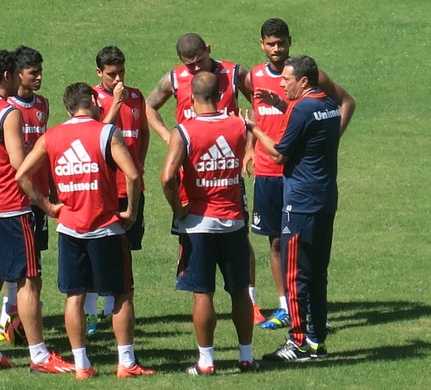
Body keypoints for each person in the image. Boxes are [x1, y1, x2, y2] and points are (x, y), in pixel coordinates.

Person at [16, 82, 155, 380]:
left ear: (67, 108)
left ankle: (81, 365)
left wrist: (48, 206)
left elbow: (22, 175)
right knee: (121, 294)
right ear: (93, 101)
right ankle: (126, 362)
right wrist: (130, 211)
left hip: (69, 230)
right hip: (105, 229)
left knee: (74, 297)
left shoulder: (52, 136)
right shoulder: (107, 132)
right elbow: (132, 174)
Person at [0, 49, 74, 372]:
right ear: (7, 76)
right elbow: (21, 169)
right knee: (28, 281)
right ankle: (39, 354)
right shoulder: (8, 113)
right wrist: (46, 203)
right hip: (9, 208)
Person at [243, 18, 356, 330]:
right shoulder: (257, 77)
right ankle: (296, 316)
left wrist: (329, 139)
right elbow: (277, 111)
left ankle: (299, 331)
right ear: (262, 44)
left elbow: (345, 102)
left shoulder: (310, 77)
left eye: (281, 43)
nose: (277, 49)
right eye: (271, 43)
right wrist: (251, 146)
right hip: (276, 175)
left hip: (298, 180)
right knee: (280, 244)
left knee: (301, 259)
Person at [146, 32, 265, 324]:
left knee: (239, 233)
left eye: (200, 61)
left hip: (224, 169)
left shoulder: (234, 73)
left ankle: (249, 302)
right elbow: (149, 106)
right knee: (191, 233)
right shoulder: (174, 79)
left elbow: (258, 106)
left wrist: (250, 148)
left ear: (209, 50)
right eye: (190, 65)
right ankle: (201, 297)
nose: (196, 69)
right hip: (191, 171)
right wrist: (168, 137)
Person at [161, 72, 258, 375]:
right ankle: (246, 356)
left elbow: (166, 177)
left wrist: (178, 209)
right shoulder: (237, 125)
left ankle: (206, 361)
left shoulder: (184, 131)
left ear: (190, 98)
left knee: (203, 293)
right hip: (234, 221)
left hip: (198, 225)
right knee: (240, 290)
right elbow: (254, 125)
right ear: (220, 95)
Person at [247, 55, 342, 361]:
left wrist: (254, 128)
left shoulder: (302, 108)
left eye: (286, 80)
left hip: (300, 202)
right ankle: (316, 340)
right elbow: (307, 127)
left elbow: (278, 155)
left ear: (303, 81)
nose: (282, 83)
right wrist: (281, 105)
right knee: (317, 273)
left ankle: (298, 342)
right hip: (325, 199)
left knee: (295, 275)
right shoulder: (328, 104)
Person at [83, 45, 150, 335]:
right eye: (111, 74)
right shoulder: (91, 99)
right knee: (95, 250)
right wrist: (115, 105)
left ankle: (114, 309)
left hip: (132, 187)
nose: (118, 78)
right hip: (105, 189)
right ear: (99, 73)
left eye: (121, 71)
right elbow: (94, 136)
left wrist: (140, 163)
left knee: (124, 250)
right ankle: (89, 311)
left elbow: (143, 133)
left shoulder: (136, 96)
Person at [0, 45, 51, 338]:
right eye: (34, 73)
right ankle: (9, 315)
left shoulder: (42, 104)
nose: (39, 77)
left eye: (40, 72)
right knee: (18, 262)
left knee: (35, 258)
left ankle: (19, 314)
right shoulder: (8, 108)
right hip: (16, 195)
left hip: (38, 192)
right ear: (18, 74)